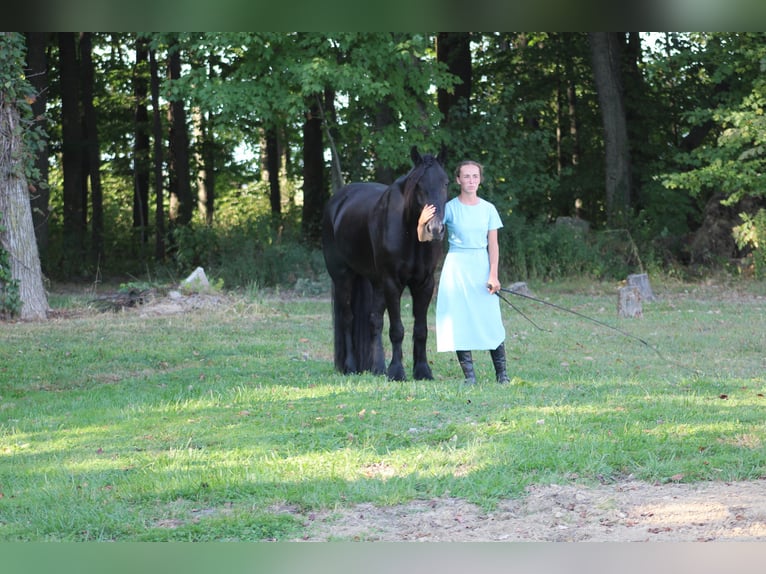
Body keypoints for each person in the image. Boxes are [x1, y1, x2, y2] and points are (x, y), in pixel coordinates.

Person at [418, 160, 509, 385]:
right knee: (460, 319)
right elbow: (425, 238)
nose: (471, 180)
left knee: (490, 318)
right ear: (458, 180)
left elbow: (494, 245)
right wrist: (421, 223)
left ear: (480, 180)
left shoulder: (488, 209)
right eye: (466, 176)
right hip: (457, 266)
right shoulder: (448, 208)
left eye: (475, 176)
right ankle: (469, 376)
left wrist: (493, 275)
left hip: (481, 264)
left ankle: (502, 375)